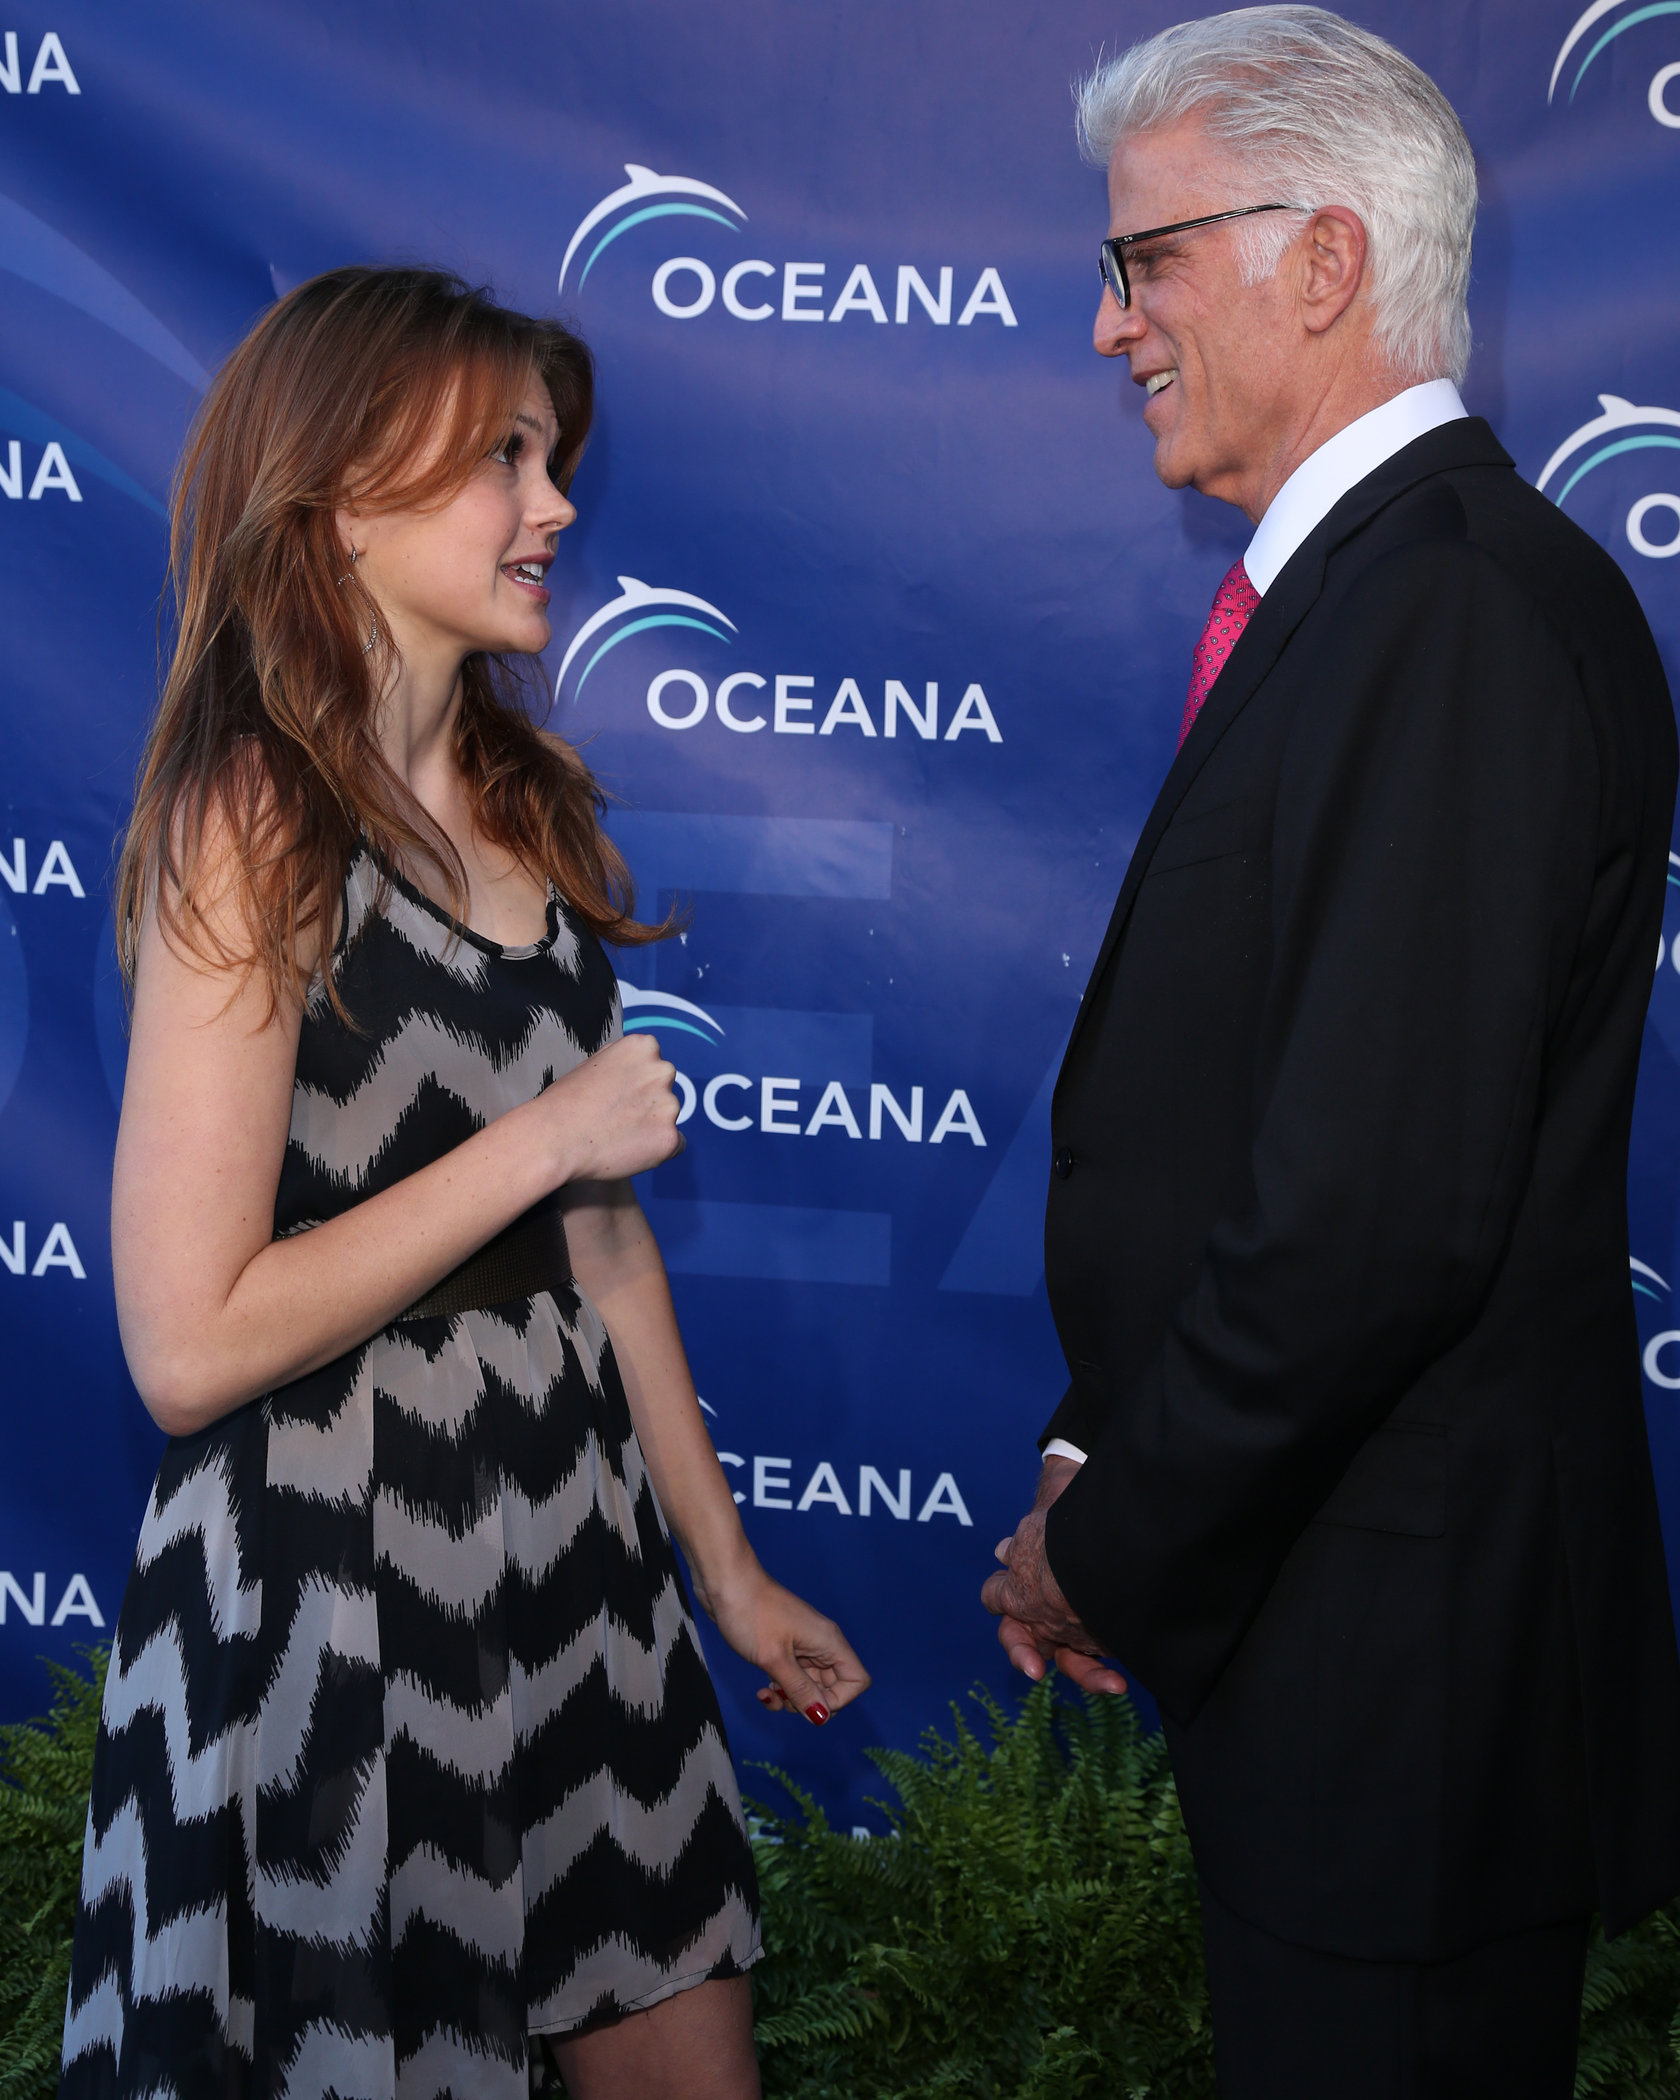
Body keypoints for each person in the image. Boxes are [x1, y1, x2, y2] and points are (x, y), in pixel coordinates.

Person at [59, 265, 867, 2100]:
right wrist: (544, 1136)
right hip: (333, 1595)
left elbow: (598, 1243)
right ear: (344, 492)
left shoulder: (533, 790)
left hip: (574, 1555)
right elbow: (187, 1343)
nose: (557, 504)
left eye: (552, 456)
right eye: (505, 457)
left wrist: (724, 1579)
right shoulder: (255, 819)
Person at [982, 9, 1680, 2095]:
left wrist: (1101, 1541)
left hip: (1408, 1689)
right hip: (1340, 1641)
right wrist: (1116, 1440)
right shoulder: (1382, 595)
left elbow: (1370, 1214)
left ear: (1325, 259)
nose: (1111, 327)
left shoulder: (1448, 606)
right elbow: (1268, 1131)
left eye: (1145, 262)